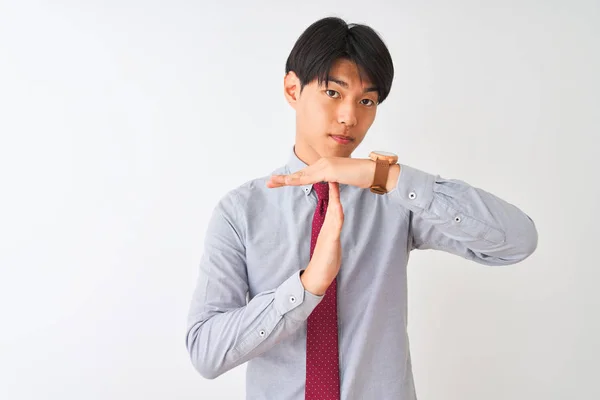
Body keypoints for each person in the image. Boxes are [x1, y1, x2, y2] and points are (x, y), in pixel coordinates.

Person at [185, 16, 538, 400]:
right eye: (333, 93)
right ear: (292, 89)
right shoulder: (241, 211)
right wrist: (307, 286)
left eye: (366, 100)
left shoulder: (394, 201)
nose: (350, 117)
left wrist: (386, 177)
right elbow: (206, 352)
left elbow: (517, 241)